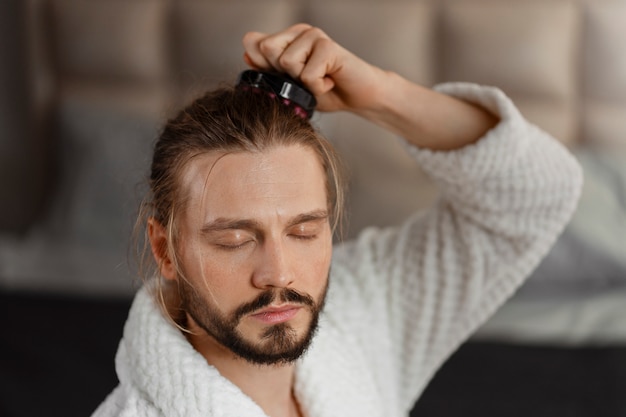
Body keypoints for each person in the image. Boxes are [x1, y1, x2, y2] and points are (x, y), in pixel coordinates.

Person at [92, 24, 582, 417]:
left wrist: (381, 95)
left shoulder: (359, 314)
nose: (279, 272)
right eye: (235, 239)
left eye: (304, 231)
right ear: (165, 249)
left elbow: (536, 196)